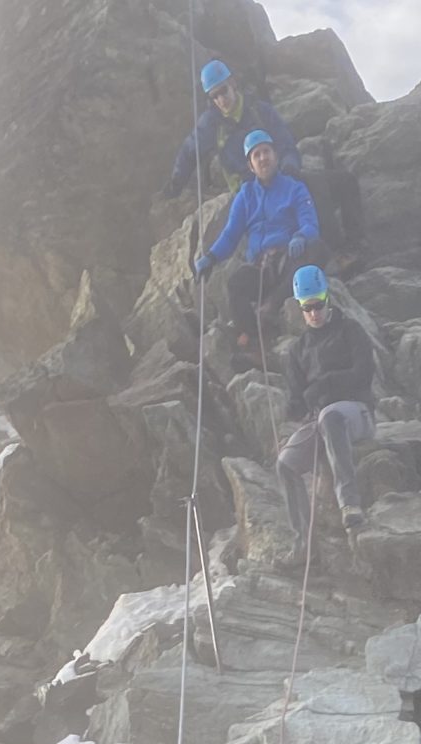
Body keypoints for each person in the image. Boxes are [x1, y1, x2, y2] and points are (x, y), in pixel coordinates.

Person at [192, 135, 322, 351]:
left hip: (289, 258)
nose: (262, 158)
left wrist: (301, 236)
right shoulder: (246, 196)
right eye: (256, 155)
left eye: (266, 152)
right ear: (250, 166)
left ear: (276, 156)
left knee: (317, 249)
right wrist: (211, 257)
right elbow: (231, 234)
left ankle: (270, 306)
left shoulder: (294, 188)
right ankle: (255, 339)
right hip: (262, 267)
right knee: (236, 283)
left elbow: (310, 224)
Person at [276, 266, 375, 545]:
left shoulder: (351, 330)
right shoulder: (297, 350)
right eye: (307, 307)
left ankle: (350, 504)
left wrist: (326, 383)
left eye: (318, 305)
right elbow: (296, 400)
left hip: (357, 412)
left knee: (331, 416)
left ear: (328, 299)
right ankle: (303, 543)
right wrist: (293, 409)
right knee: (285, 464)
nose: (314, 313)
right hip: (319, 421)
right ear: (300, 307)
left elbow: (364, 374)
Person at [161, 61, 301, 199]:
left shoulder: (261, 111)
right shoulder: (210, 124)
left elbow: (286, 144)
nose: (221, 99)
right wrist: (175, 185)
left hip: (277, 181)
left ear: (233, 83)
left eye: (223, 90)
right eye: (214, 96)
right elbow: (189, 153)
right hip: (244, 194)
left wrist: (289, 171)